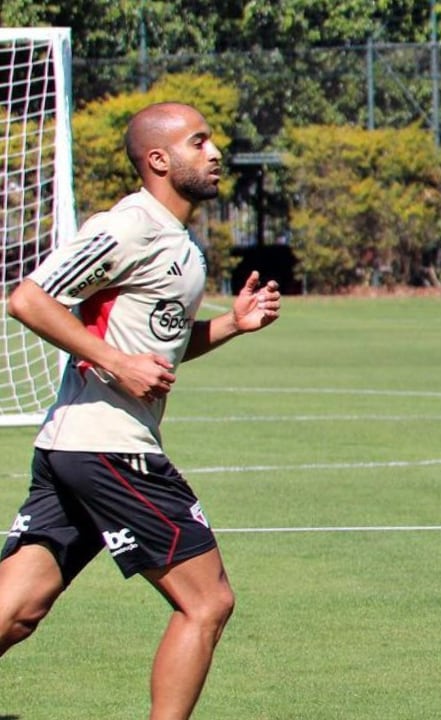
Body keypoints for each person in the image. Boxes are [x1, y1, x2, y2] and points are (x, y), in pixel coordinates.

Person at [0, 102, 282, 720]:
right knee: (207, 604)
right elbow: (28, 299)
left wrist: (232, 325)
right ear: (159, 160)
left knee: (16, 610)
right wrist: (115, 361)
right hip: (110, 448)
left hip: (75, 449)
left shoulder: (178, 243)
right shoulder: (130, 226)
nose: (215, 153)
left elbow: (160, 351)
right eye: (199, 141)